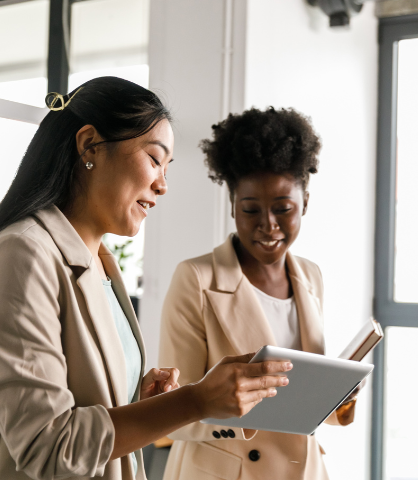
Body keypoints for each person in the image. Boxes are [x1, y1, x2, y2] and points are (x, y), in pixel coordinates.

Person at [0, 78, 291, 480]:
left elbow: (80, 399)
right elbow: (50, 448)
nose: (163, 185)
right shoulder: (21, 255)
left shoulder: (100, 264)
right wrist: (194, 400)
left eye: (167, 168)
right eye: (154, 159)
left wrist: (139, 397)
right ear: (89, 145)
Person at [159, 107, 360, 480]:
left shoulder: (311, 277)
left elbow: (300, 394)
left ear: (306, 204)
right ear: (233, 207)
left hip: (304, 470)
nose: (268, 225)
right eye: (251, 210)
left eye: (284, 209)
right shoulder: (196, 279)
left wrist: (337, 402)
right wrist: (238, 408)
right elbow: (172, 414)